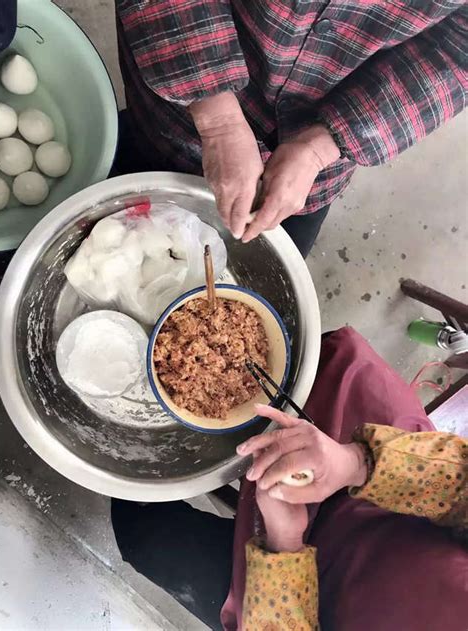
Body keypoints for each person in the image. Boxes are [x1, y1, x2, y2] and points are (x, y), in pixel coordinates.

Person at [112, 327, 467, 630]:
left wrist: (284, 542)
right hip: (397, 492)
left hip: (284, 600)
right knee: (331, 356)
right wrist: (356, 461)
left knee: (143, 532)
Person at [114, 2, 467, 257]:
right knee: (118, 212)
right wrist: (218, 121)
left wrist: (319, 148)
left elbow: (459, 52)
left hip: (323, 153)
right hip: (178, 90)